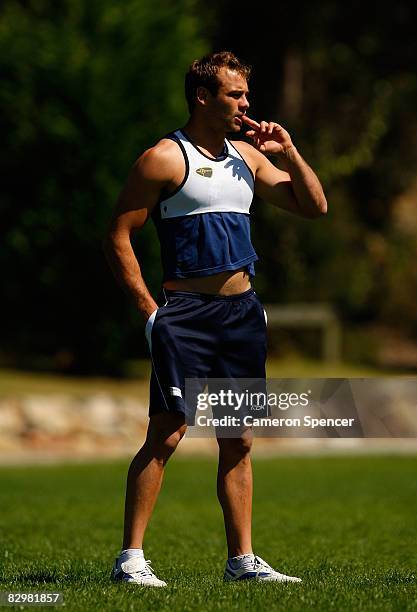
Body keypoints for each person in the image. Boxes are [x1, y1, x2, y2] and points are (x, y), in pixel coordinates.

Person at [104, 51, 327, 587]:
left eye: (246, 95)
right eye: (235, 95)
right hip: (185, 317)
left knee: (239, 438)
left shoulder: (247, 158)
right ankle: (130, 558)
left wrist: (289, 151)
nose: (246, 104)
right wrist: (149, 310)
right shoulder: (163, 158)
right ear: (203, 97)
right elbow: (118, 236)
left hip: (243, 314)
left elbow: (314, 206)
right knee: (168, 433)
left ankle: (241, 561)